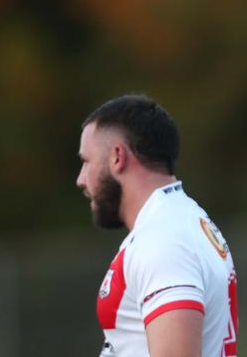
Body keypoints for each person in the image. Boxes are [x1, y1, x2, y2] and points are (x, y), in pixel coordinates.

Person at [76, 95, 238, 357]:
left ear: (118, 157)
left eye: (86, 161)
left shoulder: (163, 240)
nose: (81, 180)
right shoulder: (178, 222)